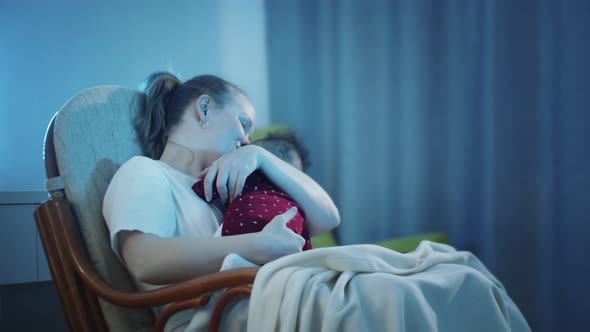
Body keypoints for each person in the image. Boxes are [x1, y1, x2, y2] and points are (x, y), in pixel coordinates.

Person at [102, 72, 340, 288]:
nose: (247, 140)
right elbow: (144, 260)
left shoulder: (227, 191)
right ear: (204, 109)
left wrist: (260, 155)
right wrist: (259, 245)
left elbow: (328, 218)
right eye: (243, 123)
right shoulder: (145, 171)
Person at [192, 132, 313, 251]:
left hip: (242, 234)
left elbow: (204, 187)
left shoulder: (240, 174)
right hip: (290, 245)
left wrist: (196, 184)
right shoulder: (295, 207)